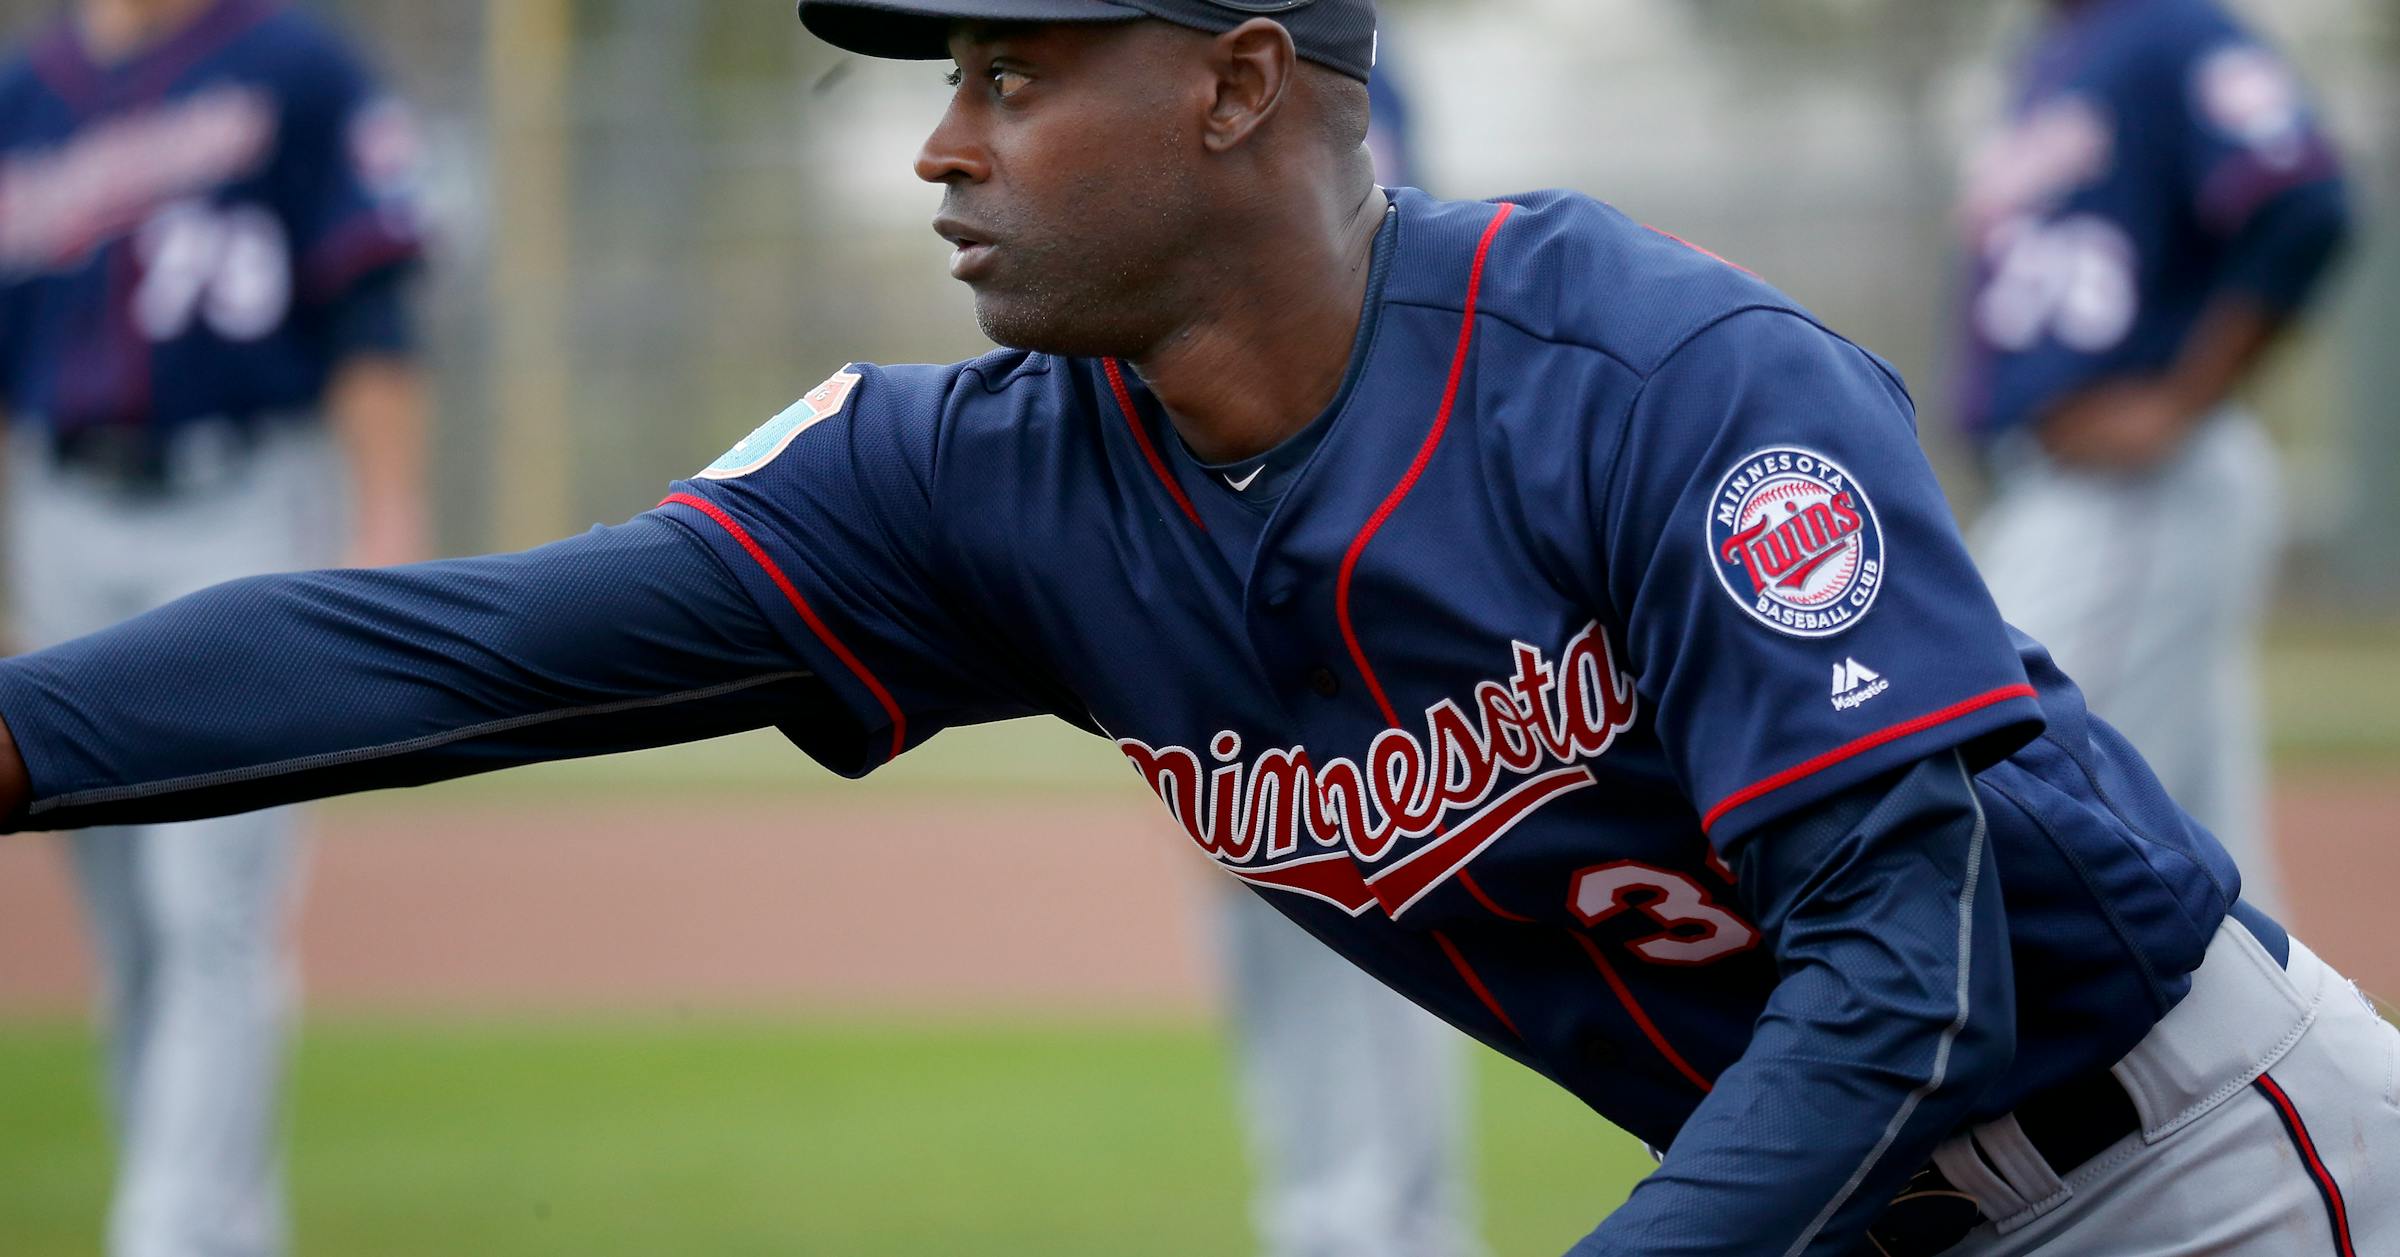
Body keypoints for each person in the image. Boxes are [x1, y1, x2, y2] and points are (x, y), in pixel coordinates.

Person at [0, 1, 2391, 1253]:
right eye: (950, 79)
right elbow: (455, 650)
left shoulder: (1653, 382)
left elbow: (1906, 956)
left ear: (1239, 83)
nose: (943, 140)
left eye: (1011, 72)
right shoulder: (972, 477)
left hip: (2185, 1171)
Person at [0, 0, 427, 1252]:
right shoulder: (34, 94)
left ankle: (167, 1234)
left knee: (214, 909)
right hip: (61, 505)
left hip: (242, 505)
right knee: (128, 924)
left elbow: (373, 309)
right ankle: (211, 1230)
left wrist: (387, 513)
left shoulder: (293, 64)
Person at [1955, 0, 2354, 920]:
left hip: (2134, 492)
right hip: (2067, 487)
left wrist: (2182, 396)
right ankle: (2309, 1066)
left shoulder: (2169, 29)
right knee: (2213, 862)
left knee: (2023, 799)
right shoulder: (2058, 55)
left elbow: (2304, 196)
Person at [1213, 49, 1482, 1257]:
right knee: (1280, 925)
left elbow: (1348, 332)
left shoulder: (1325, 67)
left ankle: (1378, 1233)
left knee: (1358, 912)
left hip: (1343, 579)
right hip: (1241, 570)